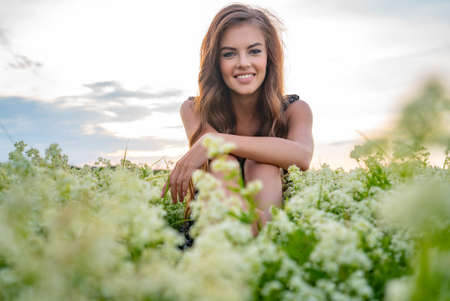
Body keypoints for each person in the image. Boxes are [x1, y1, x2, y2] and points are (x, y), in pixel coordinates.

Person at [162, 3, 313, 235]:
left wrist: (217, 140)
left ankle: (261, 256)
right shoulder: (195, 109)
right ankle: (233, 257)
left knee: (262, 166)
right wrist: (216, 145)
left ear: (269, 57)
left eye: (254, 51)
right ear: (216, 62)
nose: (243, 62)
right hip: (213, 232)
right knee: (224, 165)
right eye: (229, 53)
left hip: (274, 228)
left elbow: (302, 156)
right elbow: (221, 168)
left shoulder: (295, 109)